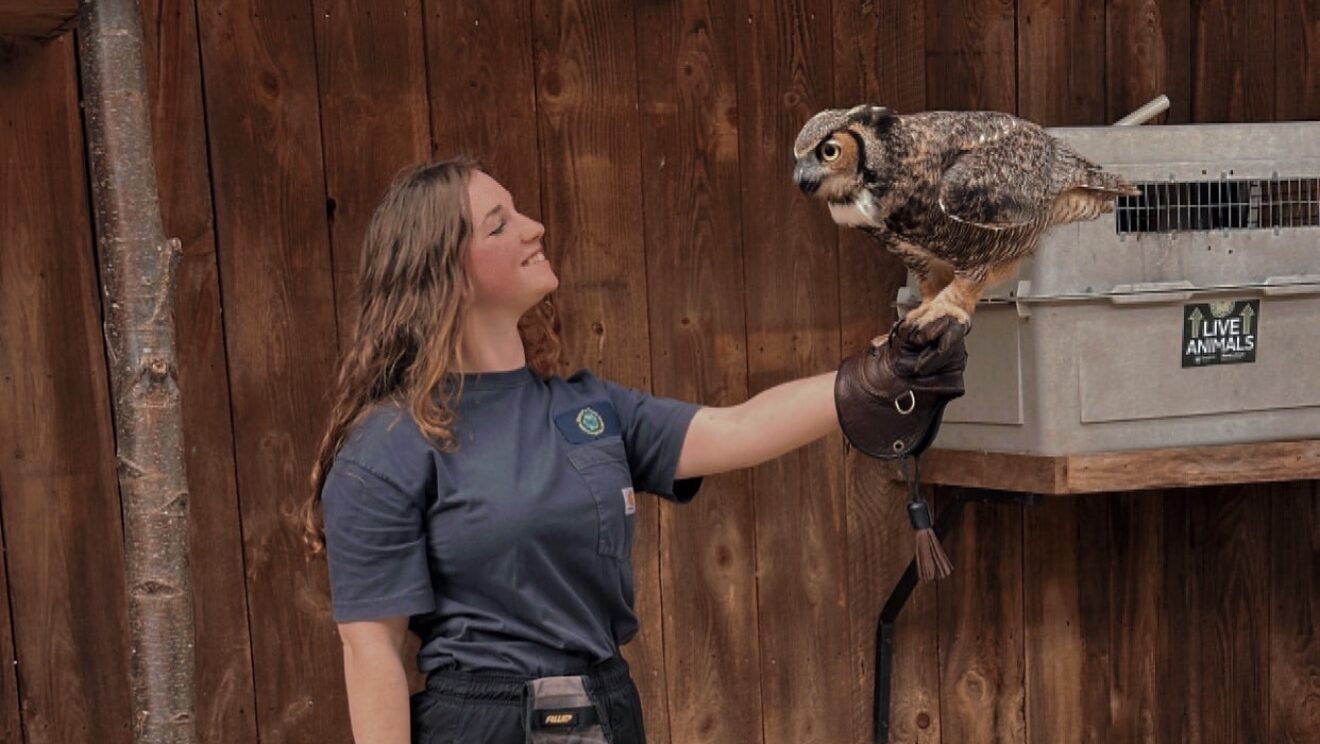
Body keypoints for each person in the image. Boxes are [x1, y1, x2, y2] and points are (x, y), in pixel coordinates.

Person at [301, 157, 966, 744]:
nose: (533, 227)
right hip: (483, 721)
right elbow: (372, 649)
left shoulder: (586, 410)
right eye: (500, 225)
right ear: (442, 272)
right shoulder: (386, 447)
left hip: (608, 711)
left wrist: (881, 377)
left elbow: (735, 430)